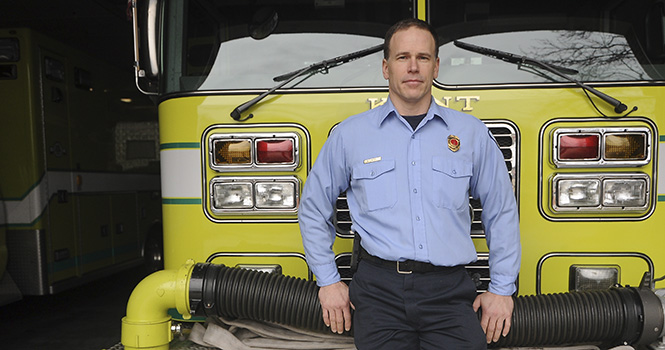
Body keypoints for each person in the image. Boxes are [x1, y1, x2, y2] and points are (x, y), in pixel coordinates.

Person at [298, 18, 520, 350]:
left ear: (436, 66)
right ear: (386, 68)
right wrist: (328, 282)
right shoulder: (349, 135)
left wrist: (502, 289)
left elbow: (500, 212)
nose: (413, 67)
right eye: (403, 58)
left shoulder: (472, 134)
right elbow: (313, 209)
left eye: (423, 57)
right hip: (378, 293)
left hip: (449, 293)